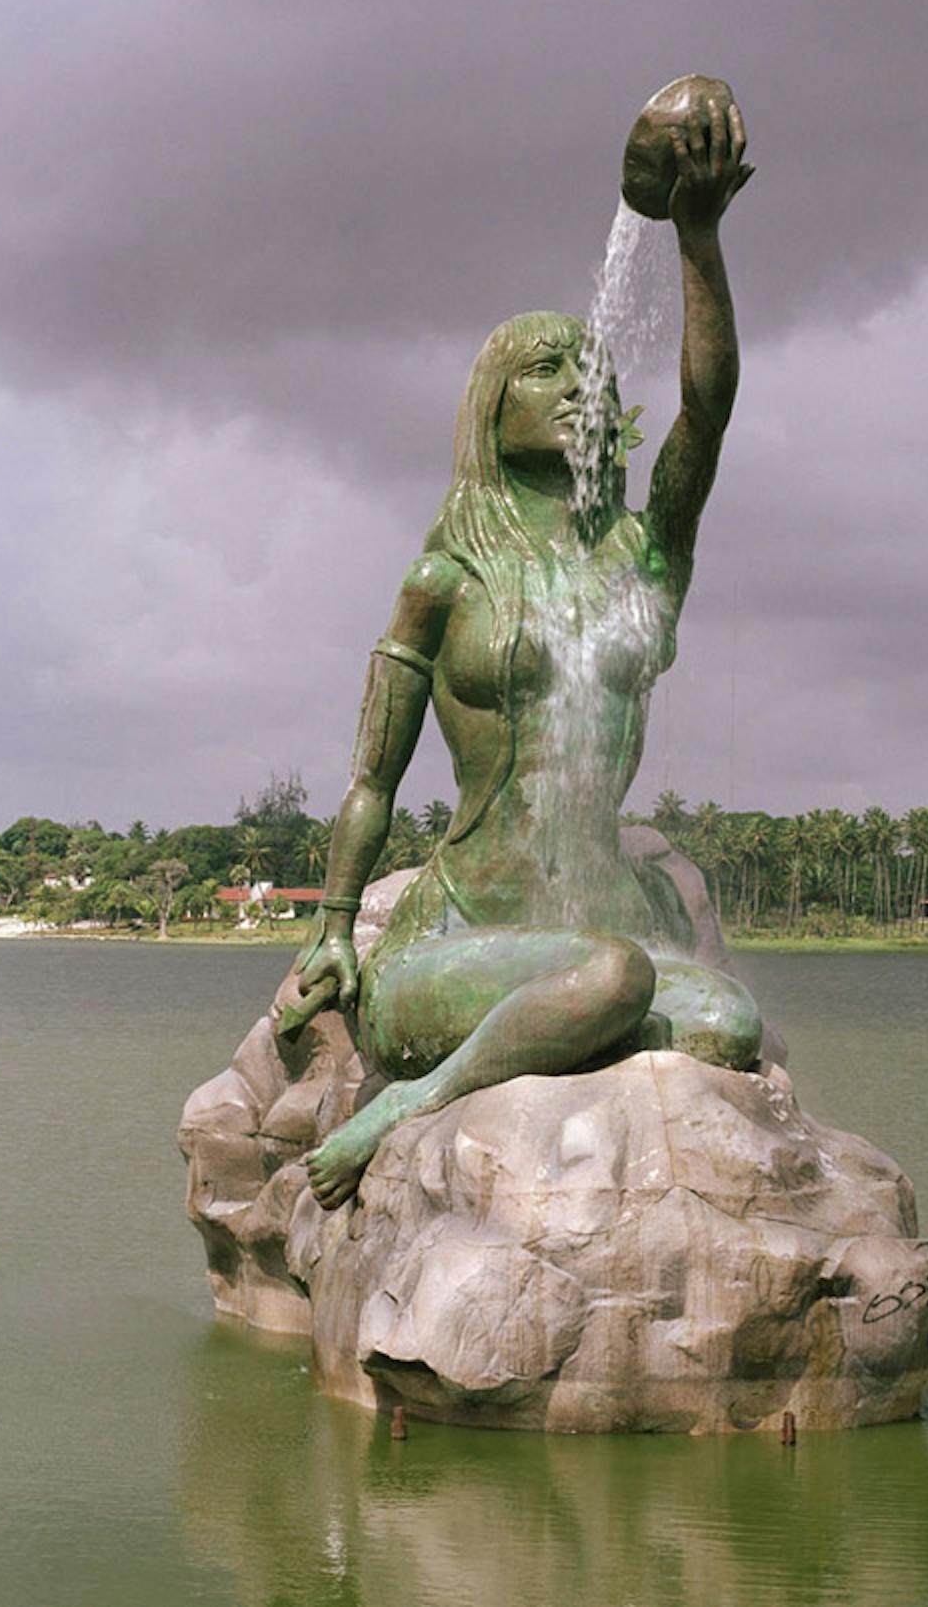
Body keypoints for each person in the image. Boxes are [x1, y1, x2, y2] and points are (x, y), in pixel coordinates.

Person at [299, 97, 758, 1208]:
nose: (577, 384)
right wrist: (332, 927)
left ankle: (532, 1043)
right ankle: (410, 1102)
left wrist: (697, 238)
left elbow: (705, 414)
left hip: (601, 917)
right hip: (459, 934)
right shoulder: (443, 578)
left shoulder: (644, 556)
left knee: (724, 1021)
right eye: (545, 369)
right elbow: (372, 777)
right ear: (491, 405)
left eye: (589, 371)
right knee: (615, 977)